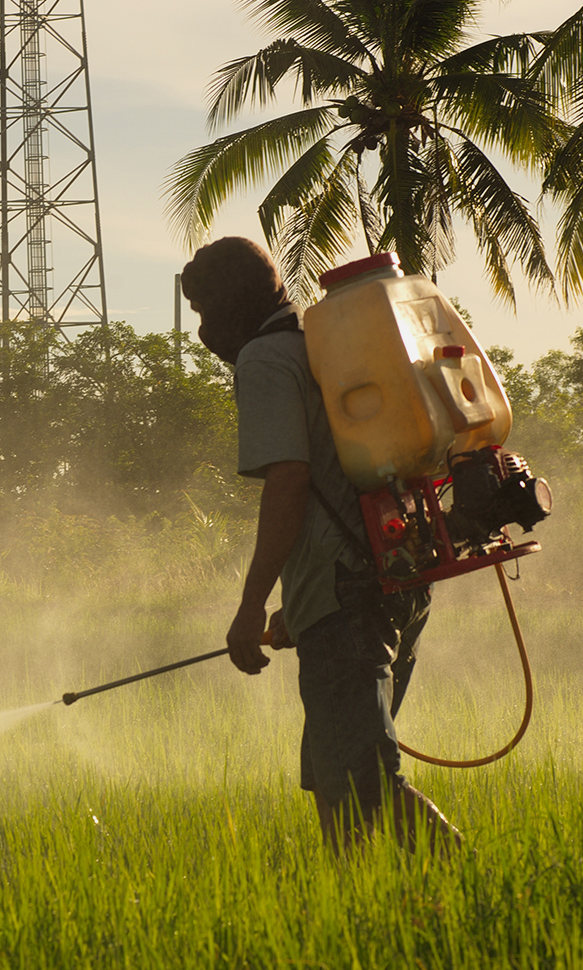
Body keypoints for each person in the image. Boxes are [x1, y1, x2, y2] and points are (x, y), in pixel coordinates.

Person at [180, 237, 461, 856]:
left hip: (348, 596)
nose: (202, 328)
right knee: (334, 779)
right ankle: (354, 919)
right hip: (385, 582)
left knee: (363, 781)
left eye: (203, 310)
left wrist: (251, 606)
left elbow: (289, 484)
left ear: (230, 304)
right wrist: (302, 606)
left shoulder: (264, 360)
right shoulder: (320, 349)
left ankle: (482, 888)